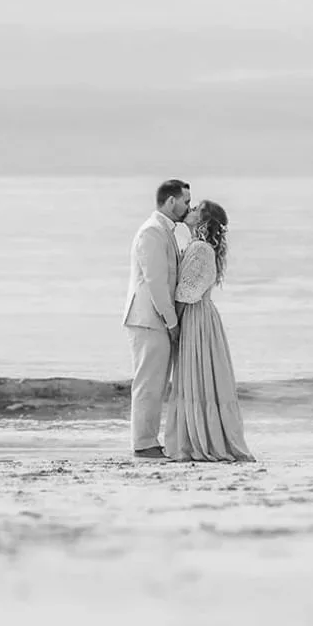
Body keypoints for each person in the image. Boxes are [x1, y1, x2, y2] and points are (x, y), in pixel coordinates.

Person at [164, 200, 254, 462]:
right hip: (202, 315)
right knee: (200, 376)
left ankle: (201, 440)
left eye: (195, 209)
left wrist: (174, 325)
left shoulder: (200, 249)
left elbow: (186, 292)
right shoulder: (199, 247)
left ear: (203, 221)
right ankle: (202, 435)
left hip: (195, 317)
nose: (189, 211)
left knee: (197, 375)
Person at [122, 179, 190, 459]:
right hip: (148, 319)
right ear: (170, 201)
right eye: (185, 201)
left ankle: (149, 439)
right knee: (148, 382)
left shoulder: (165, 231)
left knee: (156, 381)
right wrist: (172, 322)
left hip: (154, 318)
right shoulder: (152, 232)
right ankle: (143, 442)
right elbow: (155, 283)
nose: (188, 206)